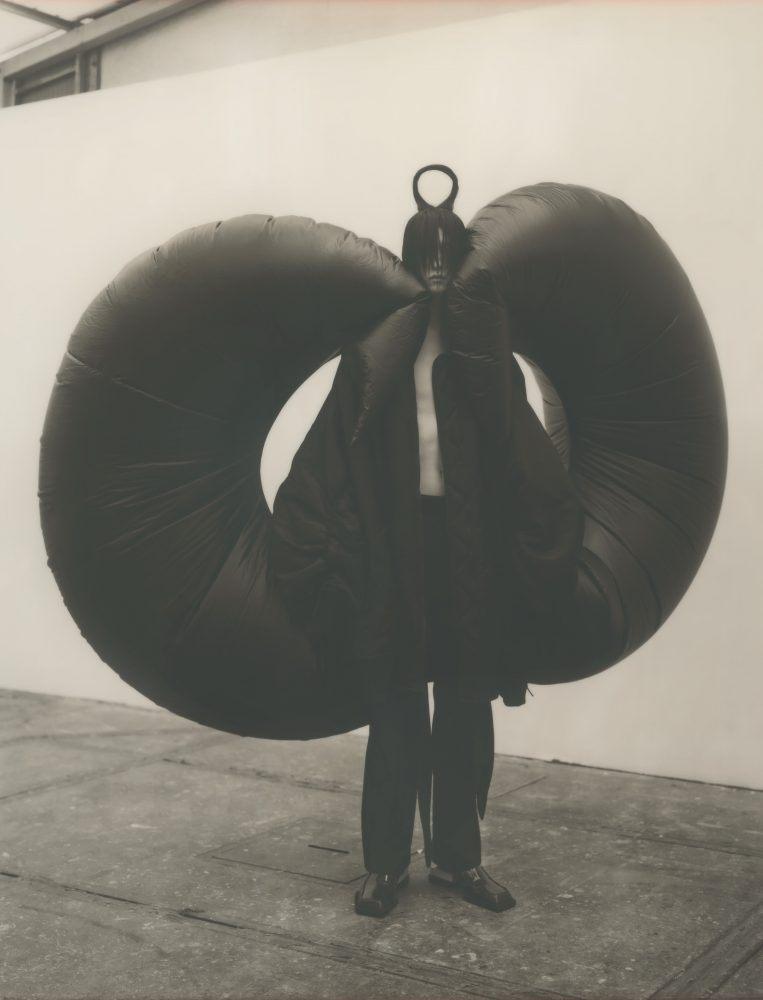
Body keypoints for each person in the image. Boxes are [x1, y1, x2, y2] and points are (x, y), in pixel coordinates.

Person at [353, 169, 516, 918]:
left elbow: (512, 449)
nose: (440, 268)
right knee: (395, 702)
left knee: (463, 699)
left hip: (465, 544)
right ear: (411, 259)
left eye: (451, 254)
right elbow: (345, 444)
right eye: (428, 254)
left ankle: (458, 859)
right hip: (398, 543)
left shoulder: (481, 349)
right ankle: (384, 865)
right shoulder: (381, 345)